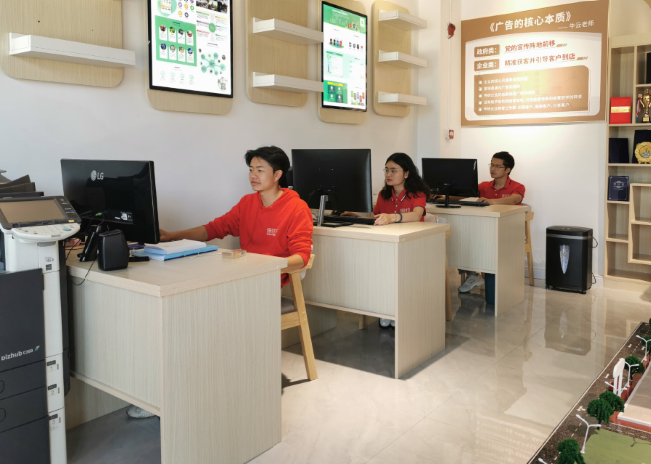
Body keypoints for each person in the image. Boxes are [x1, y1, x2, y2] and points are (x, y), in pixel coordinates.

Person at [125, 146, 313, 419]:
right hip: (239, 281)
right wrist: (172, 236)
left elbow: (301, 257)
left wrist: (265, 267)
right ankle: (173, 394)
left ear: (277, 175)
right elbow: (214, 229)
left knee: (202, 321)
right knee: (183, 314)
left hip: (266, 284)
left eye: (260, 170)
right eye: (251, 169)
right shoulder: (247, 203)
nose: (253, 175)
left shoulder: (296, 208)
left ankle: (198, 393)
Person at [343, 152, 431, 328]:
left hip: (412, 247)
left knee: (395, 270)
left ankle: (397, 310)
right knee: (377, 268)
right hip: (387, 246)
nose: (388, 174)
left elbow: (416, 215)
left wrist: (393, 217)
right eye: (386, 170)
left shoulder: (417, 194)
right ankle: (386, 308)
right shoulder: (384, 194)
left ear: (406, 173)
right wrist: (355, 215)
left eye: (393, 170)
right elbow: (375, 217)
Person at [458, 151, 526, 294]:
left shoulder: (517, 187)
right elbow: (465, 194)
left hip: (507, 231)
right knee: (459, 240)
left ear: (508, 170)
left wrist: (491, 201)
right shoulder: (484, 186)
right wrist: (443, 195)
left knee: (474, 241)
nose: (492, 169)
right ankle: (473, 275)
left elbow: (514, 200)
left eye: (497, 166)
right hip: (483, 230)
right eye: (491, 165)